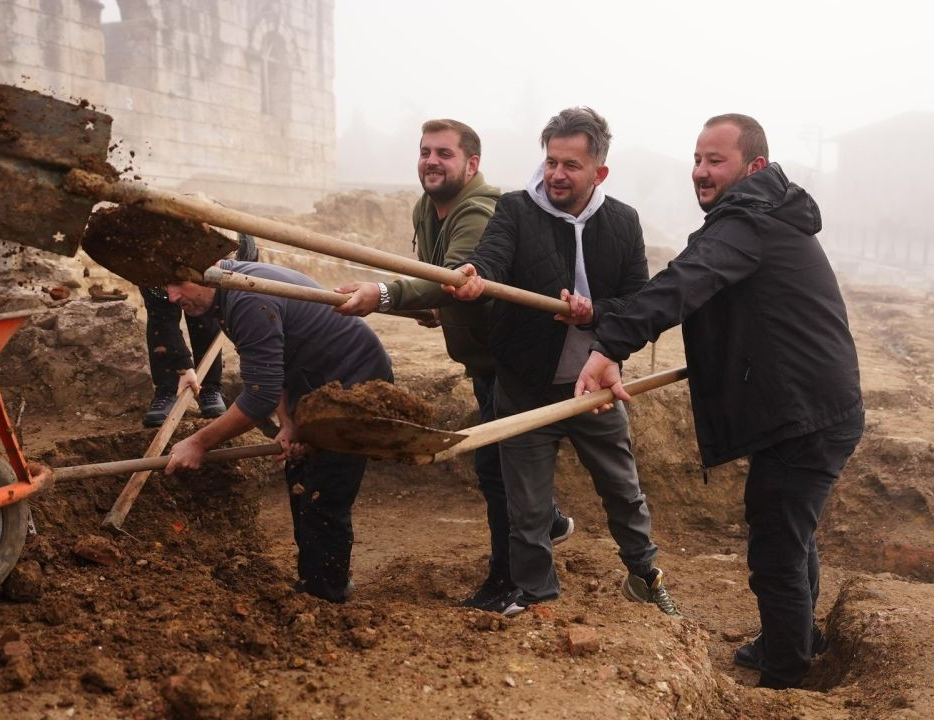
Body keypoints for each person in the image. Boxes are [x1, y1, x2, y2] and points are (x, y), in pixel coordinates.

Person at [574, 114, 864, 689]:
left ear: (754, 167)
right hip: (808, 408)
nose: (701, 172)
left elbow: (686, 281)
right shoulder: (762, 217)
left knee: (777, 545)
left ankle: (787, 673)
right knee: (789, 532)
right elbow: (695, 288)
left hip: (803, 415)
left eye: (716, 161)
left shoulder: (749, 222)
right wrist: (603, 314)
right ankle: (796, 639)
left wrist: (611, 345)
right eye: (698, 160)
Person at [333, 118, 574, 613]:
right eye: (425, 152)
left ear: (472, 164)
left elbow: (455, 273)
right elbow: (443, 287)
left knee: (496, 470)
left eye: (444, 153)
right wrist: (430, 307)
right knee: (503, 468)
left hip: (515, 360)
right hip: (486, 360)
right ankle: (546, 521)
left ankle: (513, 580)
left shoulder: (480, 210)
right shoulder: (430, 207)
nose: (431, 161)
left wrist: (381, 294)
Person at [446, 107, 678, 618]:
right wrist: (474, 275)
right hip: (525, 384)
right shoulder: (514, 211)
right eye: (551, 162)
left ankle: (645, 577)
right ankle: (536, 595)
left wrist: (597, 311)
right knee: (526, 506)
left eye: (571, 165)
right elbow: (492, 259)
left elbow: (638, 300)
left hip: (593, 388)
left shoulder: (623, 221)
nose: (556, 174)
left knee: (624, 492)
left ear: (599, 172)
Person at [163, 258, 393, 604]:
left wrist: (199, 442)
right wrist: (288, 423)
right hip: (316, 381)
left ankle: (328, 594)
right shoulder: (230, 293)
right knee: (301, 480)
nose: (171, 297)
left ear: (206, 271)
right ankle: (315, 582)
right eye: (166, 287)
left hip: (356, 382)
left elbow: (258, 398)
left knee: (325, 490)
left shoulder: (247, 299)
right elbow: (277, 365)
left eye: (178, 284)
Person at [140, 233, 259, 427]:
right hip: (155, 258)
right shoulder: (148, 256)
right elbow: (162, 319)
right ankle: (168, 388)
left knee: (204, 314)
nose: (172, 295)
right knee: (161, 316)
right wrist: (181, 366)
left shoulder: (229, 244)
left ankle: (209, 387)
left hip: (200, 253)